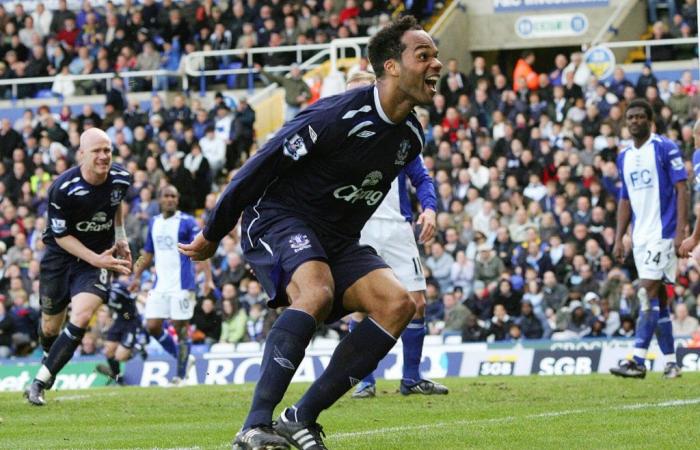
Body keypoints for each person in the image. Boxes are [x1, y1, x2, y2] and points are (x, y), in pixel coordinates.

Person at [179, 15, 442, 450]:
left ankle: (300, 417)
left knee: (398, 304)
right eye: (424, 55)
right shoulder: (335, 115)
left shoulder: (411, 137)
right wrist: (213, 232)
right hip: (280, 216)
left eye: (435, 55)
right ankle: (253, 426)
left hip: (338, 237)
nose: (437, 64)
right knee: (315, 292)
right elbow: (258, 168)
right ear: (392, 66)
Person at [343, 70, 448, 399]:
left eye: (362, 92)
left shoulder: (399, 135)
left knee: (416, 303)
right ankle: (365, 381)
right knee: (362, 306)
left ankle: (411, 379)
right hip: (359, 230)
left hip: (398, 229)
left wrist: (429, 209)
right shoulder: (338, 139)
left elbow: (422, 178)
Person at [25, 128, 132, 406]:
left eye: (107, 150)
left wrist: (120, 237)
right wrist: (95, 258)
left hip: (98, 259)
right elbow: (61, 237)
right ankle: (50, 360)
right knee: (50, 328)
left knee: (83, 316)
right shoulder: (62, 188)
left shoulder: (122, 178)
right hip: (60, 257)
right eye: (96, 150)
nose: (103, 156)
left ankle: (39, 382)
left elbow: (117, 203)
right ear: (81, 154)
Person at [611, 99, 687, 380]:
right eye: (630, 117)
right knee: (660, 299)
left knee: (646, 291)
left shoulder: (665, 147)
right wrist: (620, 236)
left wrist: (680, 232)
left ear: (650, 120)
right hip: (640, 237)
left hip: (663, 233)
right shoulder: (624, 156)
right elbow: (624, 199)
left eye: (640, 116)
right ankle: (671, 363)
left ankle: (638, 360)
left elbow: (682, 188)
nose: (634, 121)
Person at [130, 185, 212, 384]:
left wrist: (208, 279)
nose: (170, 199)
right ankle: (184, 359)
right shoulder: (154, 222)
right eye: (166, 196)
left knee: (180, 328)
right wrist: (136, 275)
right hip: (160, 285)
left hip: (182, 285)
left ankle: (181, 376)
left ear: (178, 199)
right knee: (152, 326)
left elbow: (202, 249)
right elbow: (148, 253)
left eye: (173, 196)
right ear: (159, 199)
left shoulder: (187, 222)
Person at [95, 280, 148, 384]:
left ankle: (138, 347)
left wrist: (147, 305)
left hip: (131, 321)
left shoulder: (119, 288)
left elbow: (135, 296)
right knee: (108, 351)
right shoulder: (99, 291)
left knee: (120, 357)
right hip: (119, 320)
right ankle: (118, 376)